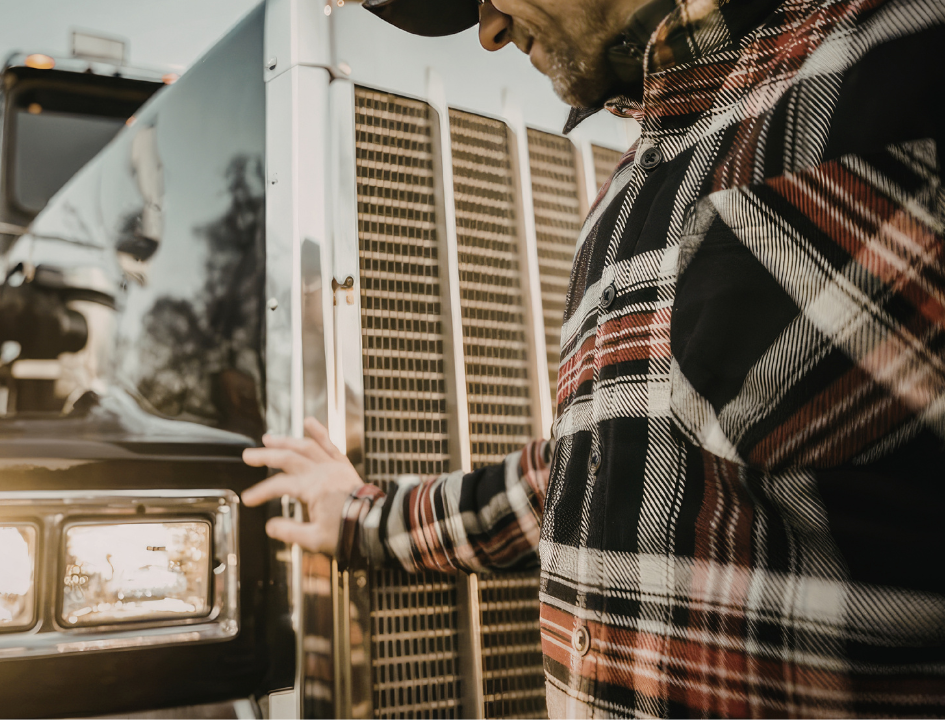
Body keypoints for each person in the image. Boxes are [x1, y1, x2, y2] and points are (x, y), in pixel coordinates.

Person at [242, 0, 945, 716]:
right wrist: (365, 518)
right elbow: (600, 464)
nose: (487, 33)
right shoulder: (620, 198)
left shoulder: (910, 48)